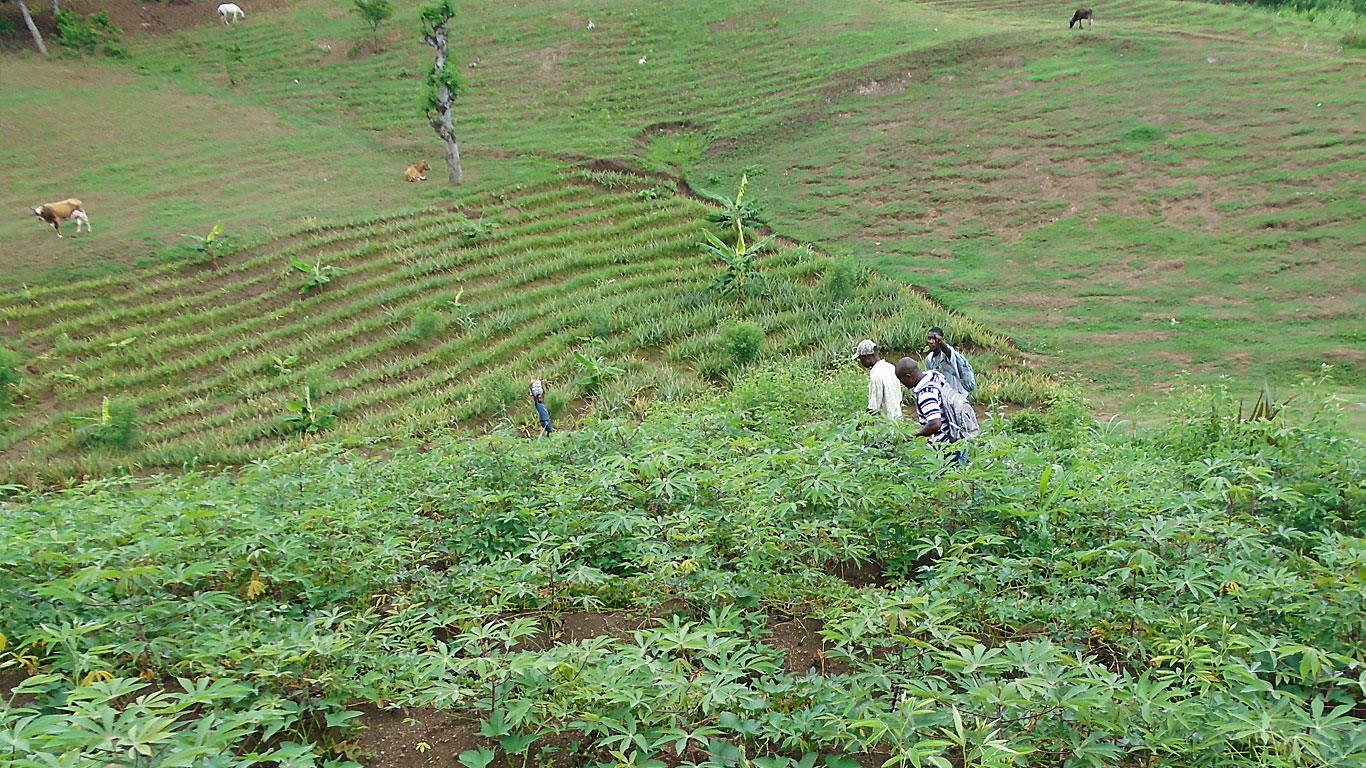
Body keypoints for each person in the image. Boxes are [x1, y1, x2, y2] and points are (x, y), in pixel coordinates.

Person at [894, 357, 967, 464]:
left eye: (901, 380)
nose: (902, 383)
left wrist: (912, 435)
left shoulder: (926, 393)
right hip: (957, 439)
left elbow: (935, 423)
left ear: (908, 376)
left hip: (945, 449)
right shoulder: (934, 376)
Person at [923, 326, 975, 401]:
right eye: (929, 338)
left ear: (941, 340)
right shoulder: (929, 359)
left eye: (934, 339)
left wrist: (941, 343)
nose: (931, 341)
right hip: (945, 399)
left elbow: (947, 351)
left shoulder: (947, 354)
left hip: (960, 397)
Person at [855, 339, 902, 421]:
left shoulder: (876, 376)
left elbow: (873, 408)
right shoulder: (891, 368)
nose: (860, 362)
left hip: (885, 426)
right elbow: (900, 399)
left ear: (866, 357)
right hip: (898, 421)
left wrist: (860, 426)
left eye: (860, 358)